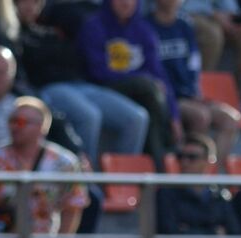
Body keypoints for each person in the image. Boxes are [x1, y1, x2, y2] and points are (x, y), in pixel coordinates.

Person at [14, 0, 148, 163]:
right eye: (25, 2)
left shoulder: (54, 28)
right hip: (50, 88)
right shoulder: (14, 35)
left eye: (35, 2)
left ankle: (120, 183)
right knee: (89, 116)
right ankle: (85, 179)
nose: (30, 7)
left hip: (81, 85)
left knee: (136, 118)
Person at [0, 96, 88, 238]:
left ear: (42, 126)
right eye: (12, 121)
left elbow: (72, 210)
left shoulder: (64, 163)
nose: (15, 127)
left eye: (21, 122)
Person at [78, 0, 179, 166]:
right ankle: (158, 162)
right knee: (147, 87)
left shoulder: (144, 30)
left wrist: (174, 115)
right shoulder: (94, 25)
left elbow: (160, 76)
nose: (125, 3)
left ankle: (153, 162)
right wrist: (139, 78)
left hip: (143, 93)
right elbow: (97, 71)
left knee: (149, 94)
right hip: (100, 88)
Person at [151, 0, 240, 163]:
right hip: (165, 97)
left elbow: (194, 64)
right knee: (200, 116)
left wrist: (194, 92)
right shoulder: (147, 26)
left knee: (230, 119)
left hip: (188, 95)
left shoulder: (185, 26)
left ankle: (208, 173)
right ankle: (190, 170)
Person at [181, 0, 241, 78]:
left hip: (218, 14)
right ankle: (201, 85)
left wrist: (233, 16)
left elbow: (230, 6)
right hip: (188, 13)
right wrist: (213, 14)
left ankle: (240, 87)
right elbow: (185, 6)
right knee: (213, 35)